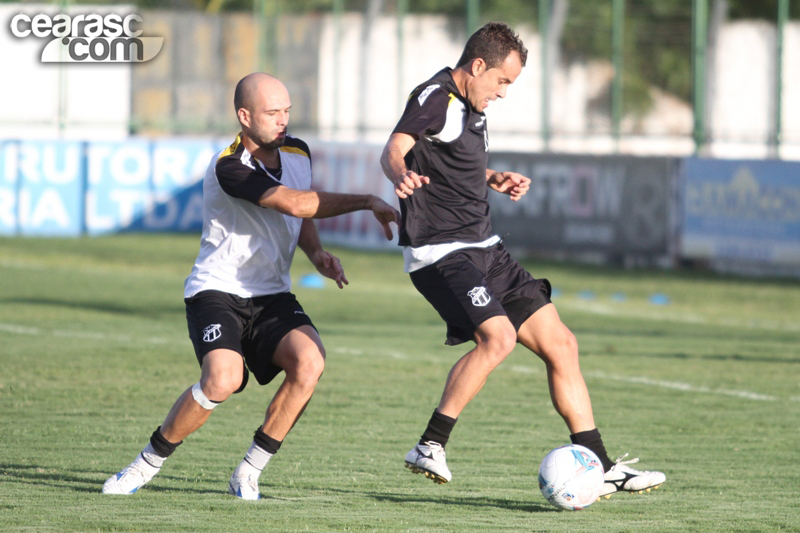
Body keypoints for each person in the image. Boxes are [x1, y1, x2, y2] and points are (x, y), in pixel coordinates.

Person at [380, 22, 665, 498]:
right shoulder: (436, 97)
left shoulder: (469, 104)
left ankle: (601, 464)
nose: (503, 93)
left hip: (485, 247)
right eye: (502, 81)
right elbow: (396, 147)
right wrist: (400, 175)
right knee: (498, 338)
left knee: (562, 344)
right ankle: (430, 444)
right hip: (441, 253)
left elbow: (450, 159)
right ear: (477, 67)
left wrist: (490, 177)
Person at [103, 72, 400, 500]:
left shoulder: (297, 151)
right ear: (244, 116)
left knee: (310, 363)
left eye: (287, 111)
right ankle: (146, 464)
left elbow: (299, 213)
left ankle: (248, 471)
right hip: (216, 290)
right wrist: (368, 200)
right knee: (222, 379)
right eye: (272, 113)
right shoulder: (230, 166)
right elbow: (295, 201)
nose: (283, 120)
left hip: (272, 294)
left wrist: (316, 254)